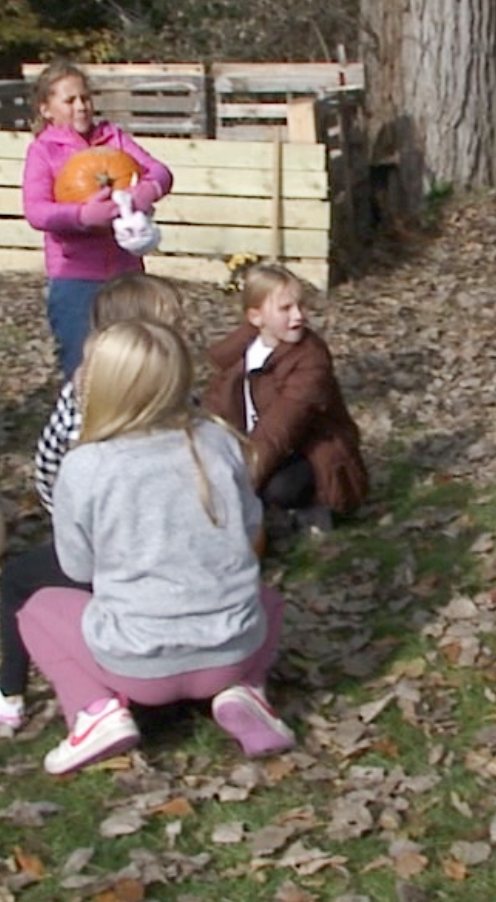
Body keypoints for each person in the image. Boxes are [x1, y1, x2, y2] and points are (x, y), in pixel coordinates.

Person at [17, 320, 293, 773]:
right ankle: (246, 691)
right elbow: (248, 532)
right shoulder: (222, 441)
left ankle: (93, 712)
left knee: (38, 609)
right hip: (232, 652)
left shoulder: (85, 466)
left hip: (136, 665)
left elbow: (76, 568)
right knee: (269, 600)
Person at [0, 272, 189, 729]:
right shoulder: (179, 397)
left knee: (22, 582)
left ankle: (13, 697)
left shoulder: (90, 396)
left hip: (111, 554)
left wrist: (69, 521)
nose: (183, 337)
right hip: (165, 550)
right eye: (174, 328)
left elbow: (47, 469)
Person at [21, 58, 174, 380]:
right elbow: (36, 210)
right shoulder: (43, 151)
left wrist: (143, 194)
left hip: (126, 272)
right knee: (83, 364)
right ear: (46, 109)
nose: (81, 107)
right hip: (75, 278)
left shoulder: (112, 138)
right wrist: (81, 215)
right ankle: (84, 426)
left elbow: (161, 171)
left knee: (135, 362)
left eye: (86, 98)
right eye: (70, 100)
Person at [201, 262, 368, 533]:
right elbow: (218, 405)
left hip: (309, 451)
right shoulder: (244, 351)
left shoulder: (311, 360)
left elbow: (280, 429)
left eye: (301, 306)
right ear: (256, 317)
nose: (299, 316)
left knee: (279, 488)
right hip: (260, 444)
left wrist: (239, 487)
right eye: (286, 309)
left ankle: (312, 508)